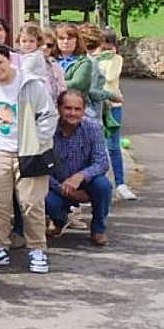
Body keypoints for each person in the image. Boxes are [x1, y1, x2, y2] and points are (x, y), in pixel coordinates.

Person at [0, 42, 58, 274]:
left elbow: (48, 116)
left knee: (31, 203)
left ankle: (37, 247)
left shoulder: (30, 83)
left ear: (9, 60)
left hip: (29, 151)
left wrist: (34, 141)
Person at [46, 89, 113, 245]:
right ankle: (59, 220)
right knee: (45, 199)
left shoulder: (93, 127)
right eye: (68, 108)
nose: (73, 113)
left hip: (85, 183)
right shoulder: (48, 129)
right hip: (56, 185)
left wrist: (79, 177)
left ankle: (98, 229)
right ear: (59, 108)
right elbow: (40, 166)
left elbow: (102, 162)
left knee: (103, 186)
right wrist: (62, 189)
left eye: (77, 109)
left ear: (83, 110)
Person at [95, 28, 134, 201]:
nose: (107, 50)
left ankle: (120, 184)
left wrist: (105, 59)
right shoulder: (93, 59)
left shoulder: (116, 60)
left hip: (113, 106)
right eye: (104, 47)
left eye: (110, 46)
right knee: (96, 146)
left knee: (113, 145)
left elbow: (110, 77)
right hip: (97, 105)